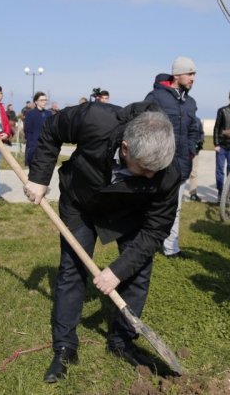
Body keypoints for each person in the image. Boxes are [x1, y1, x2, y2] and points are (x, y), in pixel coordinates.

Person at [23, 101, 180, 382]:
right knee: (72, 268)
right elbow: (52, 129)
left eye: (156, 171)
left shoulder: (167, 172)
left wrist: (117, 271)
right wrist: (39, 177)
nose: (151, 176)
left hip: (131, 213)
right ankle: (65, 346)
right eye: (144, 170)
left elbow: (156, 230)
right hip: (81, 201)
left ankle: (121, 342)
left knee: (137, 274)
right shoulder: (95, 119)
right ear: (125, 147)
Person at [144, 56, 199, 259]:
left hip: (182, 163)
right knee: (152, 206)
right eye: (190, 73)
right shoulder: (156, 97)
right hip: (159, 163)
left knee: (175, 207)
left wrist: (191, 150)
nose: (193, 78)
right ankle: (145, 244)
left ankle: (171, 248)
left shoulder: (190, 102)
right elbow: (143, 124)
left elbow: (194, 129)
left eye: (194, 74)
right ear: (177, 75)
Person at [24, 91, 53, 167]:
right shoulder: (30, 114)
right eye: (42, 100)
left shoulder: (49, 114)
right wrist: (31, 145)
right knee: (34, 170)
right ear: (36, 102)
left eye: (45, 100)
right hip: (34, 146)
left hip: (46, 146)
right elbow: (27, 131)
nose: (44, 102)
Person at [187, 116, 205, 202]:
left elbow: (201, 133)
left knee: (193, 172)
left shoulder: (197, 120)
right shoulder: (183, 118)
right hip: (183, 149)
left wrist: (200, 141)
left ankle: (193, 193)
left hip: (195, 150)